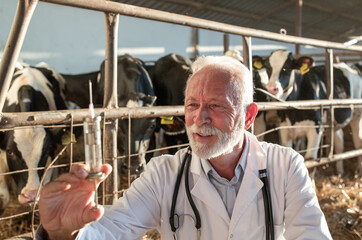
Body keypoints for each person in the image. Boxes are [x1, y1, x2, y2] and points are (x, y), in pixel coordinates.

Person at [36, 56, 332, 240]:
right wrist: (63, 232)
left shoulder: (285, 166)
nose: (198, 119)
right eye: (192, 105)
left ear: (249, 116)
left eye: (216, 105)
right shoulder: (164, 173)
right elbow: (112, 229)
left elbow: (311, 235)